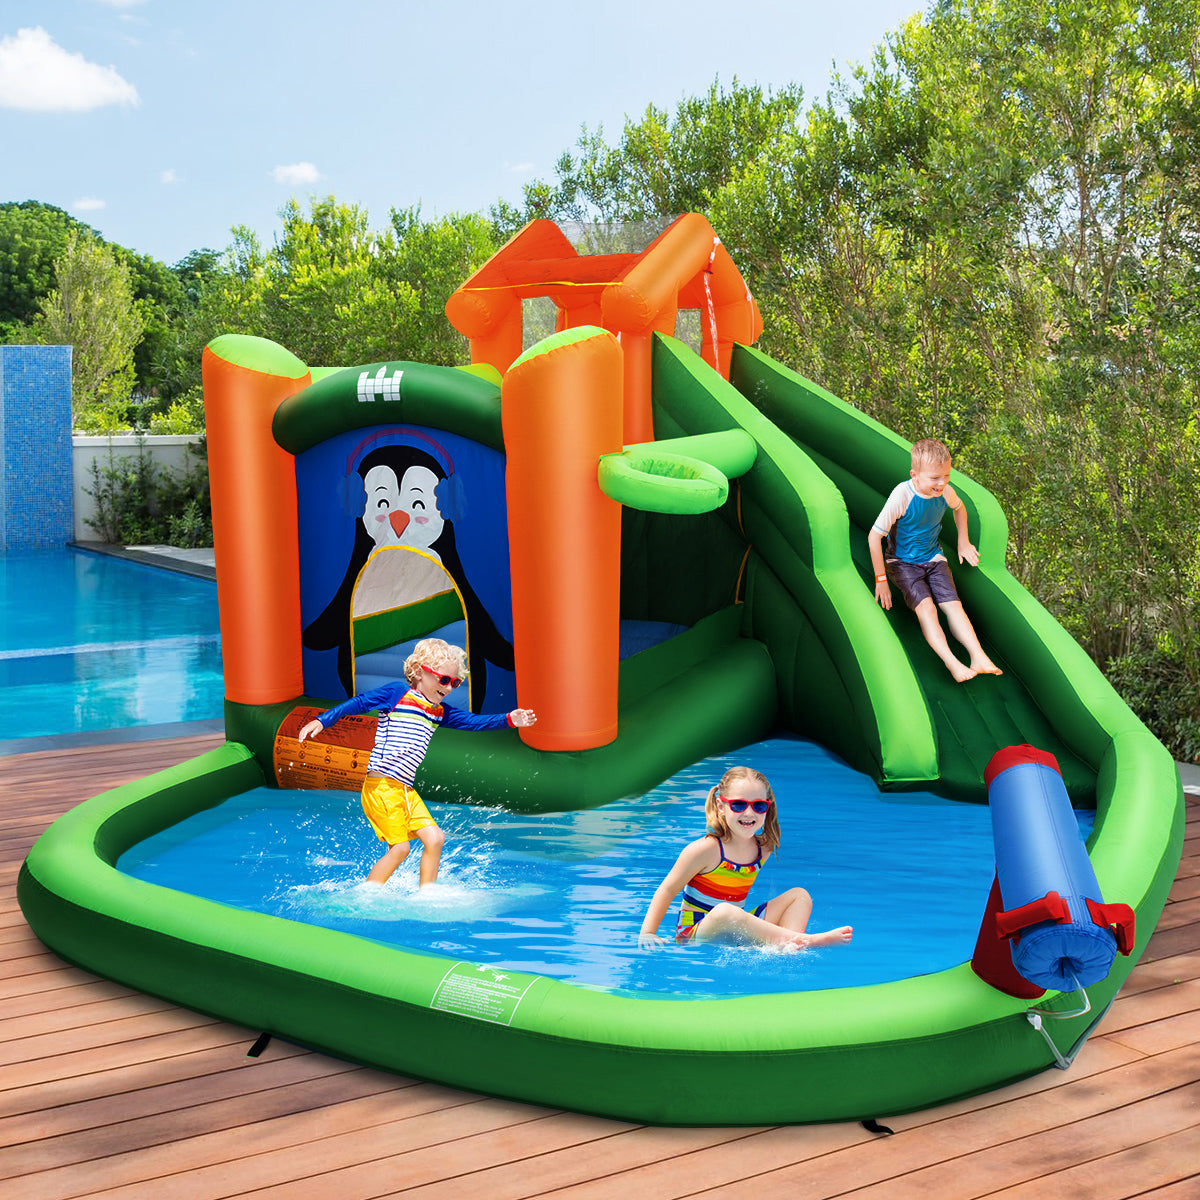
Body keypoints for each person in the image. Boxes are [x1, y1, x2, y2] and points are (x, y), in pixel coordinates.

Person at [297, 637, 536, 887]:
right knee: (400, 849)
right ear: (419, 671)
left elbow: (473, 722)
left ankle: (427, 895)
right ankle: (367, 894)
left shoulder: (439, 711)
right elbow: (359, 703)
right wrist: (323, 720)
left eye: (455, 682)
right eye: (444, 679)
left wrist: (510, 719)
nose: (449, 687)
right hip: (381, 787)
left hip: (405, 791)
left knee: (435, 839)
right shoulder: (397, 694)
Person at [638, 766, 853, 951]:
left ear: (767, 808)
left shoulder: (763, 848)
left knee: (800, 896)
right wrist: (648, 932)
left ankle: (786, 949)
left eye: (758, 806)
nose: (749, 813)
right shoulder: (705, 849)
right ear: (721, 807)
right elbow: (667, 890)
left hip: (735, 928)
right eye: (739, 805)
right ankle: (803, 940)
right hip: (696, 934)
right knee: (724, 911)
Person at [868, 437, 1003, 683]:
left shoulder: (945, 492)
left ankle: (978, 656)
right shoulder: (902, 495)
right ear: (915, 475)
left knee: (953, 606)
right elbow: (874, 536)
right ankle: (953, 663)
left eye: (946, 476)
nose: (941, 483)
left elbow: (960, 508)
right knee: (928, 609)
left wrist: (964, 541)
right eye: (934, 478)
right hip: (902, 562)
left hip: (933, 558)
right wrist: (881, 580)